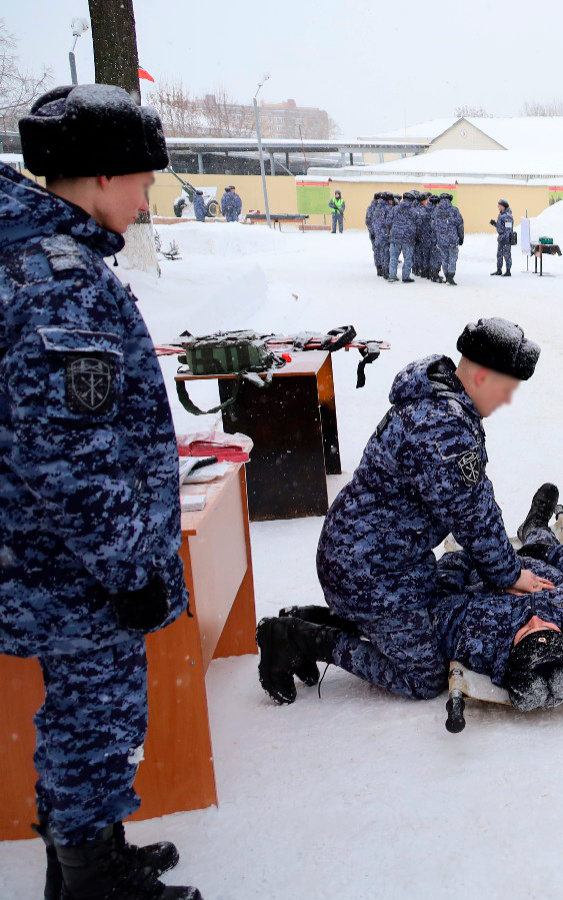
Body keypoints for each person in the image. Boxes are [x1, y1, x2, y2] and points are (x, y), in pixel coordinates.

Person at [2, 83, 202, 900]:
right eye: (142, 181)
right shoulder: (63, 281)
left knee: (82, 719)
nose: (146, 198)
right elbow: (68, 456)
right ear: (103, 176)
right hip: (79, 570)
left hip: (56, 557)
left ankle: (87, 859)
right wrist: (129, 567)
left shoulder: (42, 259)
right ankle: (94, 884)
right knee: (94, 721)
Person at [254, 318, 545, 703]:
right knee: (423, 678)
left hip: (378, 558)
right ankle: (297, 639)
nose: (507, 400)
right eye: (506, 390)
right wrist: (510, 573)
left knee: (434, 615)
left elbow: (473, 499)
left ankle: (309, 619)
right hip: (369, 573)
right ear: (482, 377)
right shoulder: (443, 426)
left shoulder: (438, 399)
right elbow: (473, 515)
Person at [431, 484, 563, 709]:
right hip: (539, 558)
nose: (535, 620)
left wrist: (468, 560)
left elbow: (440, 598)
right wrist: (554, 554)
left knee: (476, 533)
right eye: (547, 628)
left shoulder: (477, 637)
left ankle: (493, 531)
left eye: (526, 632)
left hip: (481, 568)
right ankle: (535, 526)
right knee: (542, 538)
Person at [387, 190, 420, 283]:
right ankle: (405, 277)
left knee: (393, 258)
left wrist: (392, 230)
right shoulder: (414, 211)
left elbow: (388, 222)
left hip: (395, 237)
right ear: (412, 200)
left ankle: (392, 276)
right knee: (408, 259)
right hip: (408, 238)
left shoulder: (395, 209)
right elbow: (418, 224)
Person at [435, 192, 464, 285]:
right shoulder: (454, 210)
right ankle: (450, 276)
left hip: (441, 239)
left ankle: (446, 275)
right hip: (452, 238)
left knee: (444, 258)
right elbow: (460, 225)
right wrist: (461, 237)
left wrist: (438, 234)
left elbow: (433, 224)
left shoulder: (436, 210)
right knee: (453, 257)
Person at [366, 192, 392, 278]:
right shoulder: (386, 208)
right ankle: (384, 269)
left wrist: (373, 231)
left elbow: (369, 221)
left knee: (378, 250)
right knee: (385, 251)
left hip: (376, 233)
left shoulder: (373, 208)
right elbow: (389, 222)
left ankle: (380, 268)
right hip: (383, 233)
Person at [492, 199, 515, 276]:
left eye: (499, 205)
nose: (498, 206)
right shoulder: (501, 215)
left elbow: (508, 229)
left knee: (507, 255)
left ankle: (508, 271)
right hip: (501, 238)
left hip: (505, 239)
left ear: (503, 206)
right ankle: (499, 270)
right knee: (499, 254)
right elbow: (501, 227)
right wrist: (495, 224)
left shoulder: (507, 216)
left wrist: (506, 238)